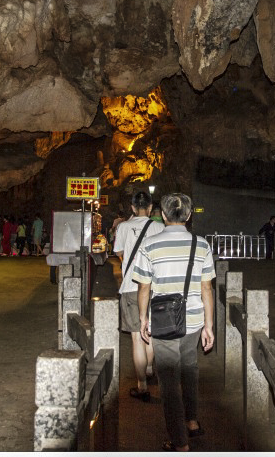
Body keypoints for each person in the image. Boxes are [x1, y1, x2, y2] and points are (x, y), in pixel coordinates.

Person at [133, 193, 215, 452]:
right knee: (190, 369)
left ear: (163, 215)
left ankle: (179, 442)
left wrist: (143, 319)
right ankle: (192, 421)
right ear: (188, 216)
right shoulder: (201, 245)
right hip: (194, 320)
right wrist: (209, 325)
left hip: (164, 320)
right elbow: (207, 288)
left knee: (168, 380)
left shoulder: (150, 245)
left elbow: (144, 288)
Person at [114, 191, 165, 403]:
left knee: (137, 336)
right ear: (151, 207)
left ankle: (142, 384)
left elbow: (119, 253)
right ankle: (150, 367)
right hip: (154, 286)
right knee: (150, 332)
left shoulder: (123, 227)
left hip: (131, 286)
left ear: (133, 208)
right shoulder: (160, 227)